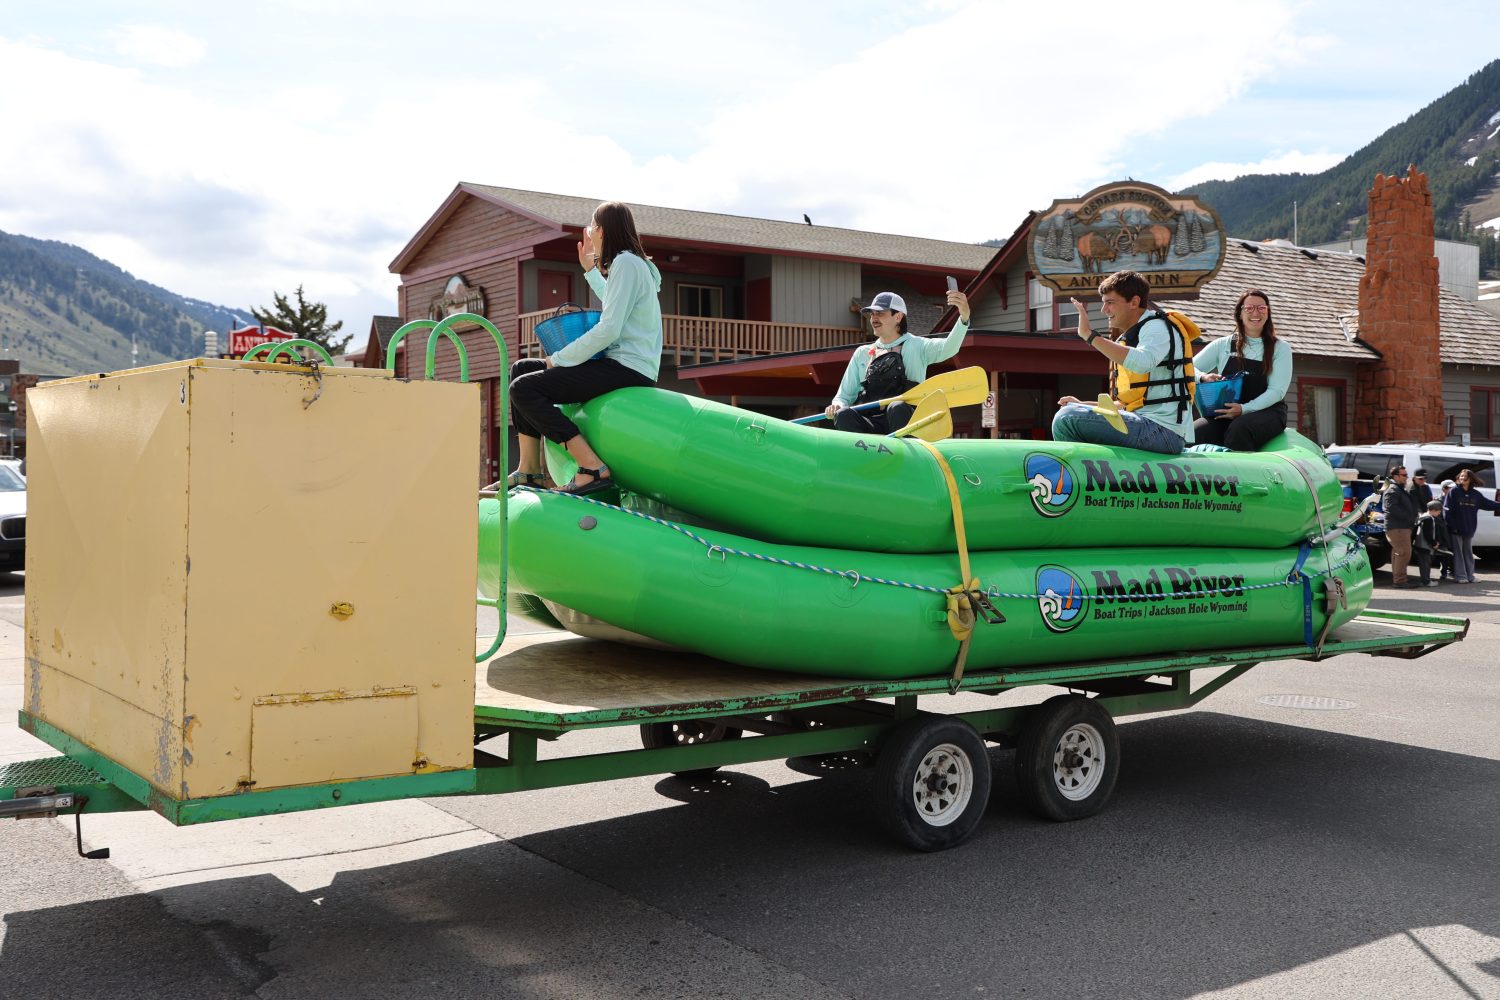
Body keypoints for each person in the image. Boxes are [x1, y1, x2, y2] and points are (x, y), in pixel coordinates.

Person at [507, 201, 662, 495]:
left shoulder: (627, 263)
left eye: (591, 227)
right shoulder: (630, 264)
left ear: (601, 231)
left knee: (523, 388)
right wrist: (591, 270)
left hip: (627, 368)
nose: (590, 234)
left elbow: (610, 327)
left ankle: (591, 467)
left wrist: (559, 359)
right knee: (522, 369)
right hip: (625, 364)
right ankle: (529, 471)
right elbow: (615, 304)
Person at [1052, 270, 1194, 454]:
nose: (1104, 310)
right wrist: (1083, 404)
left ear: (1134, 302)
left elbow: (1144, 362)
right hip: (1144, 424)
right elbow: (1126, 403)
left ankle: (1077, 476)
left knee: (1067, 418)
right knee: (1070, 410)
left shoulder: (1157, 327)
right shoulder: (1132, 337)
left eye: (1110, 303)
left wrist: (1090, 336)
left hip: (1164, 433)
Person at [825, 289, 971, 433]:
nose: (874, 318)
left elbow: (949, 347)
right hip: (870, 424)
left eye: (880, 313)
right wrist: (837, 406)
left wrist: (964, 317)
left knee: (897, 407)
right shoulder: (862, 353)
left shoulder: (918, 346)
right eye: (872, 314)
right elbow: (843, 397)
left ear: (898, 317)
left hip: (907, 424)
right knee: (843, 415)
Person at [1191, 289, 1293, 451]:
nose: (1256, 312)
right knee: (1193, 433)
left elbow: (1277, 391)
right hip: (1227, 413)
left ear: (1268, 313)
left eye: (1261, 308)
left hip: (1268, 413)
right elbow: (1188, 368)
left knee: (1239, 429)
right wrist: (1203, 377)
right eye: (1249, 308)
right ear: (1240, 313)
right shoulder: (1223, 344)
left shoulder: (1280, 348)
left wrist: (1243, 409)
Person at [1442, 467, 1500, 584]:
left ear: (1470, 479)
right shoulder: (1454, 492)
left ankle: (1470, 576)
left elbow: (1488, 504)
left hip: (1469, 528)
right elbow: (1447, 511)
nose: (1462, 478)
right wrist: (1452, 526)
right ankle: (1460, 576)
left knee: (1468, 553)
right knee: (1458, 553)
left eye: (1465, 476)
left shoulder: (1476, 494)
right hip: (1456, 529)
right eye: (1461, 476)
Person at [1380, 466, 1418, 587]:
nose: (1407, 477)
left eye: (1407, 475)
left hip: (1401, 527)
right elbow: (1391, 509)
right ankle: (1400, 581)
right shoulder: (1392, 490)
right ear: (1396, 476)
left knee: (1399, 553)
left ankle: (1399, 579)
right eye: (1404, 475)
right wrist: (1409, 518)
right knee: (1404, 553)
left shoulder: (1398, 489)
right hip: (1398, 527)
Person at [1414, 499, 1452, 587]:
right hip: (1424, 545)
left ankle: (1425, 580)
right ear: (1433, 510)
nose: (1440, 513)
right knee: (1425, 564)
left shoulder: (1424, 516)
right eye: (1439, 511)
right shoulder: (1429, 519)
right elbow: (1428, 534)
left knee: (1424, 563)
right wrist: (1434, 543)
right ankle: (1426, 581)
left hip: (1420, 545)